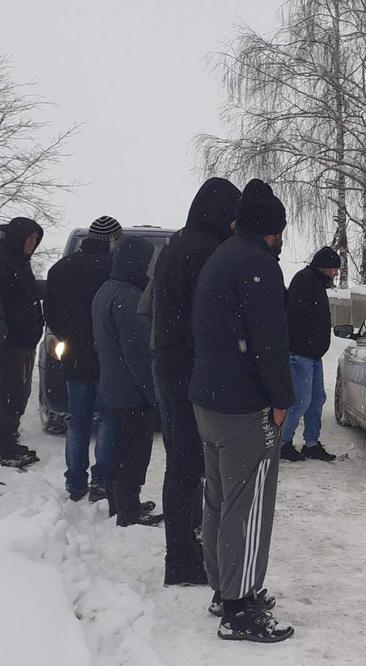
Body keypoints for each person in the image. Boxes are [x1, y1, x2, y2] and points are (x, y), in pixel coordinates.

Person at [189, 178, 294, 643]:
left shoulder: (220, 256)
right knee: (247, 506)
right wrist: (281, 399)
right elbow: (270, 340)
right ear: (273, 231)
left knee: (219, 500)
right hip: (243, 406)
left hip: (208, 399)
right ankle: (240, 607)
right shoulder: (258, 265)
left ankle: (223, 589)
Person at [152, 177, 241, 586]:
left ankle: (182, 549)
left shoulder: (178, 246)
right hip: (191, 370)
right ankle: (182, 558)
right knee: (189, 465)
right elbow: (209, 320)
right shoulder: (205, 252)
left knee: (182, 464)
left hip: (172, 366)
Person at [45, 216, 122, 500]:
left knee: (78, 421)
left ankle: (75, 481)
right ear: (112, 240)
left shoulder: (61, 269)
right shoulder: (115, 271)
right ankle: (100, 480)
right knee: (108, 419)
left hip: (74, 356)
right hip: (108, 358)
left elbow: (50, 313)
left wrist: (67, 337)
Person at [92, 236, 163, 527]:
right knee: (134, 452)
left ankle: (118, 503)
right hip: (132, 390)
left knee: (118, 448)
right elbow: (138, 353)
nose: (149, 266)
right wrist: (153, 391)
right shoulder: (129, 296)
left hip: (112, 385)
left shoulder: (106, 290)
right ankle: (129, 510)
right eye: (147, 260)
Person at [280, 246, 340, 462]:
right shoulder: (305, 281)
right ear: (324, 267)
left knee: (316, 400)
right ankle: (282, 442)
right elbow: (297, 317)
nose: (335, 273)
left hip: (313, 355)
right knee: (301, 401)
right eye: (334, 269)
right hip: (300, 354)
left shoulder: (315, 283)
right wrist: (305, 343)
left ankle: (311, 443)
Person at [0, 217, 44, 470]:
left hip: (23, 341)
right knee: (9, 394)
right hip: (10, 344)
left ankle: (9, 440)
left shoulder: (20, 263)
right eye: (29, 238)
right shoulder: (5, 263)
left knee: (18, 394)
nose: (32, 243)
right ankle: (5, 448)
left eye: (36, 239)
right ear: (18, 237)